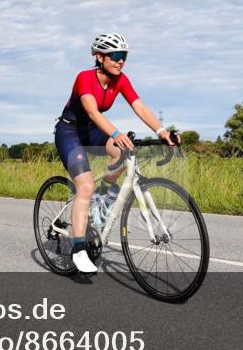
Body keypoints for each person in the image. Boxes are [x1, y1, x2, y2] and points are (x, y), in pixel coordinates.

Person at [53, 33, 176, 275]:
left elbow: (138, 105)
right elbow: (92, 112)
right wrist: (116, 132)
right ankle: (78, 250)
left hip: (92, 132)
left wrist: (161, 131)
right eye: (116, 56)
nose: (121, 61)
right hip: (70, 132)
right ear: (99, 57)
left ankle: (103, 194)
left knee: (124, 153)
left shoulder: (120, 80)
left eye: (124, 56)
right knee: (85, 186)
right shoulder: (84, 78)